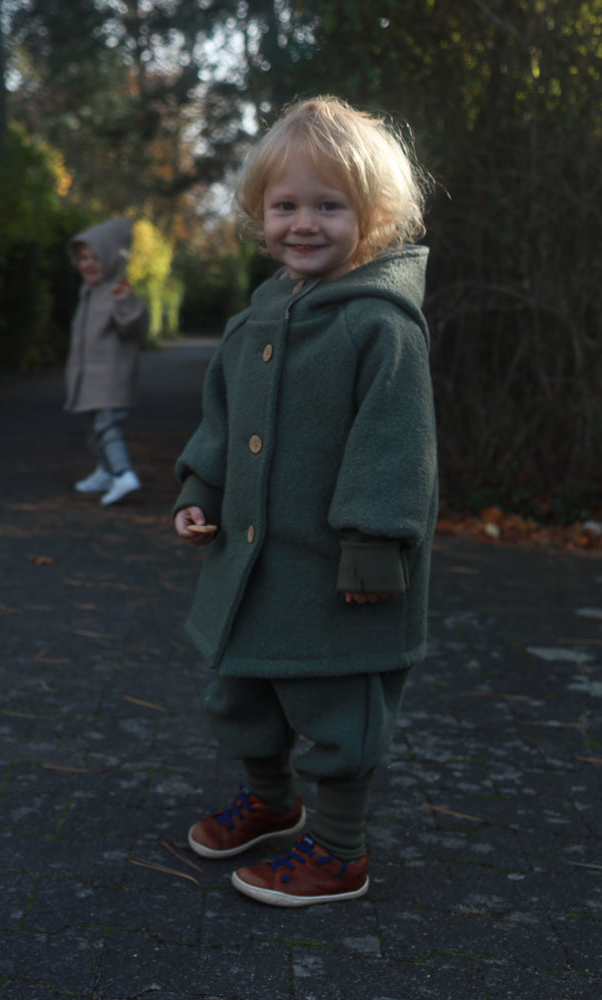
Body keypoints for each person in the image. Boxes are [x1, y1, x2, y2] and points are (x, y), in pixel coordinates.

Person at [173, 96, 438, 907]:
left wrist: (375, 542)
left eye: (330, 206)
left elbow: (395, 443)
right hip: (252, 559)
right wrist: (199, 487)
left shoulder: (380, 327)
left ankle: (341, 849)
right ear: (260, 215)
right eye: (286, 206)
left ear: (376, 216)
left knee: (336, 706)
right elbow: (222, 419)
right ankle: (271, 801)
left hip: (340, 567)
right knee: (244, 689)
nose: (305, 224)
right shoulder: (256, 318)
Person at [64, 216, 149, 506]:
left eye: (95, 258)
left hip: (110, 378)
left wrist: (126, 301)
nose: (87, 263)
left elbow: (134, 326)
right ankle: (105, 470)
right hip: (90, 379)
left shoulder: (117, 292)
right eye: (83, 258)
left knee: (107, 428)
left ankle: (124, 474)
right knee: (94, 429)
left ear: (111, 258)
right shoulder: (89, 293)